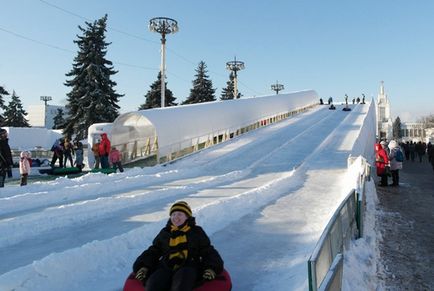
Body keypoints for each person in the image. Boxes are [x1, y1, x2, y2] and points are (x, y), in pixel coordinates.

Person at [132, 201, 224, 291]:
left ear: (187, 217)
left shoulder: (196, 232)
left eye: (180, 214)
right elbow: (154, 250)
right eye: (173, 214)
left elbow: (207, 251)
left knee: (181, 284)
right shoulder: (165, 232)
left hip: (189, 266)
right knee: (153, 284)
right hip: (166, 266)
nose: (176, 217)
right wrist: (143, 266)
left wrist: (211, 268)